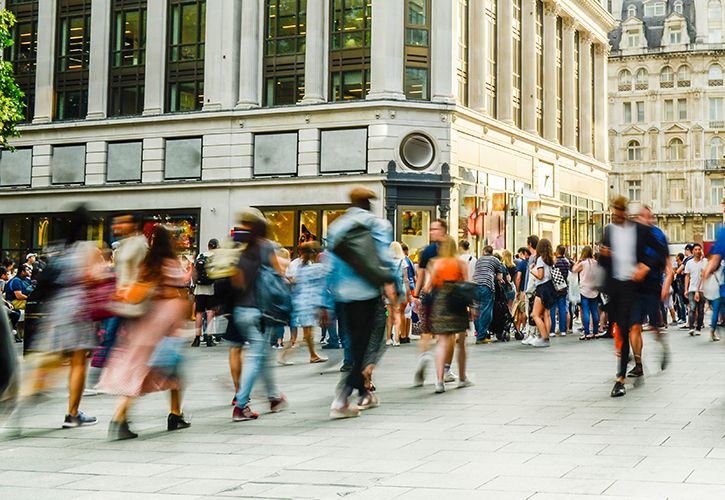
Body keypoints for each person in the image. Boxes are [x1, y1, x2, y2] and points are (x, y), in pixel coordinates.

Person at [99, 225, 192, 440]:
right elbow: (178, 294)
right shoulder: (171, 263)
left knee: (154, 370)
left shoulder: (147, 263)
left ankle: (127, 417)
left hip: (146, 323)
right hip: (164, 325)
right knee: (166, 369)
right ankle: (168, 415)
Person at [323, 188, 397, 418]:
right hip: (368, 294)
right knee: (368, 346)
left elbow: (330, 265)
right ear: (368, 203)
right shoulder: (378, 225)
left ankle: (362, 393)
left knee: (353, 346)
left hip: (342, 296)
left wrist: (325, 301)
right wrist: (395, 287)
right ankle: (342, 397)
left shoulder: (336, 227)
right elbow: (384, 258)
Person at [30, 205, 104, 428]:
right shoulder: (87, 249)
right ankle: (72, 413)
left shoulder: (60, 247)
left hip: (57, 309)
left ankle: (25, 396)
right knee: (78, 362)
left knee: (51, 358)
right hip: (78, 309)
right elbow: (93, 278)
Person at [231, 209, 288, 422]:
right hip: (260, 311)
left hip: (241, 310)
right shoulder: (266, 247)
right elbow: (279, 275)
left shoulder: (241, 251)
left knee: (262, 355)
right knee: (256, 357)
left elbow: (236, 282)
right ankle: (241, 405)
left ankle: (274, 397)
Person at [599, 196, 658, 398]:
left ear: (625, 212)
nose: (615, 216)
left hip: (631, 288)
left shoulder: (638, 230)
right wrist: (604, 255)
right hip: (614, 288)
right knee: (617, 332)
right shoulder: (608, 230)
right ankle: (628, 361)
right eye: (613, 213)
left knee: (624, 332)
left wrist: (645, 266)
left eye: (618, 212)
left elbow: (657, 250)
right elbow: (602, 261)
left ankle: (620, 379)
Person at [627, 206, 672, 378]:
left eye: (649, 216)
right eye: (643, 216)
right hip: (636, 286)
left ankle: (662, 345)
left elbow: (668, 266)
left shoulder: (658, 235)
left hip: (653, 285)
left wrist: (666, 287)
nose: (647, 219)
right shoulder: (634, 235)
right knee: (635, 325)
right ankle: (638, 364)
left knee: (654, 325)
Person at [423, 236, 472, 393]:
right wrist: (473, 307)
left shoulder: (434, 263)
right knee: (462, 341)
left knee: (442, 342)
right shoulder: (461, 263)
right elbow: (467, 284)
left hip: (441, 302)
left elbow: (427, 288)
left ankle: (439, 381)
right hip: (457, 302)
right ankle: (462, 378)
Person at [412, 219, 448, 386]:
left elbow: (420, 275)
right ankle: (444, 372)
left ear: (442, 231)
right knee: (443, 336)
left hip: (429, 295)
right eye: (431, 229)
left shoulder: (426, 251)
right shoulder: (450, 249)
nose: (432, 232)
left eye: (435, 229)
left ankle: (424, 356)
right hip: (445, 296)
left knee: (426, 330)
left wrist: (416, 295)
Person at [285, 242, 327, 364]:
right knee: (305, 333)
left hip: (303, 300)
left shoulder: (307, 265)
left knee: (308, 332)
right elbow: (291, 279)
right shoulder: (299, 265)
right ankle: (310, 355)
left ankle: (312, 355)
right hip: (305, 301)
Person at [528, 239, 556, 348]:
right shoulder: (550, 259)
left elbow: (540, 275)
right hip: (550, 287)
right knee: (546, 314)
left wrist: (531, 270)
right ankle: (546, 337)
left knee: (535, 314)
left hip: (542, 288)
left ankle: (544, 337)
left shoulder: (540, 259)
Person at [191, 238, 219, 347]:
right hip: (210, 289)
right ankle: (209, 337)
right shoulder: (215, 257)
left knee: (199, 313)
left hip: (199, 289)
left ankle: (197, 338)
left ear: (208, 246)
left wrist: (194, 285)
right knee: (210, 313)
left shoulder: (200, 256)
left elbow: (194, 271)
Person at [472, 246, 503, 344]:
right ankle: (481, 336)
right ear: (492, 252)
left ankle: (478, 332)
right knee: (486, 310)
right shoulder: (495, 260)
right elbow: (499, 276)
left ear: (484, 251)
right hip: (487, 286)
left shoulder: (479, 260)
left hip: (475, 285)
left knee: (476, 309)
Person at [572, 246, 600, 340]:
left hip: (584, 289)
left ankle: (587, 332)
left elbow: (574, 270)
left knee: (585, 311)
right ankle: (596, 332)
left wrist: (578, 261)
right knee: (595, 311)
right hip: (594, 289)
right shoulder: (596, 263)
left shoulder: (583, 264)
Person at [386, 242, 410, 347]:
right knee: (398, 313)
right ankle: (396, 339)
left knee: (389, 314)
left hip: (389, 289)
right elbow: (406, 279)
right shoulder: (403, 262)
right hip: (399, 289)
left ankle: (388, 338)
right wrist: (408, 292)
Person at [521, 235, 540, 345]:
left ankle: (533, 334)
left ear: (530, 244)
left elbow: (531, 274)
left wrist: (526, 290)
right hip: (533, 288)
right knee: (532, 312)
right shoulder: (536, 257)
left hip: (532, 288)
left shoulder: (534, 257)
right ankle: (532, 334)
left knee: (532, 312)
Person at [684, 243, 707, 337]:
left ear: (701, 251)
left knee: (701, 309)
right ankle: (691, 328)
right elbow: (687, 276)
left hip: (702, 289)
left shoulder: (704, 262)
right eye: (695, 249)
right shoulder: (689, 263)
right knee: (692, 308)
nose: (697, 251)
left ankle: (698, 328)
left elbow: (705, 275)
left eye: (699, 249)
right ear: (692, 251)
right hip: (692, 289)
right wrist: (685, 289)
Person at [549, 245, 571, 337]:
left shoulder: (554, 262)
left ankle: (552, 330)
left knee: (552, 310)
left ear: (557, 251)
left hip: (554, 289)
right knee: (562, 309)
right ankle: (563, 330)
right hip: (563, 288)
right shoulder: (567, 262)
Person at [399, 242, 416, 344]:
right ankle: (407, 335)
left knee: (402, 312)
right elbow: (414, 275)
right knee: (408, 313)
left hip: (405, 287)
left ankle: (402, 334)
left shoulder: (402, 260)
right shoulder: (409, 260)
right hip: (411, 286)